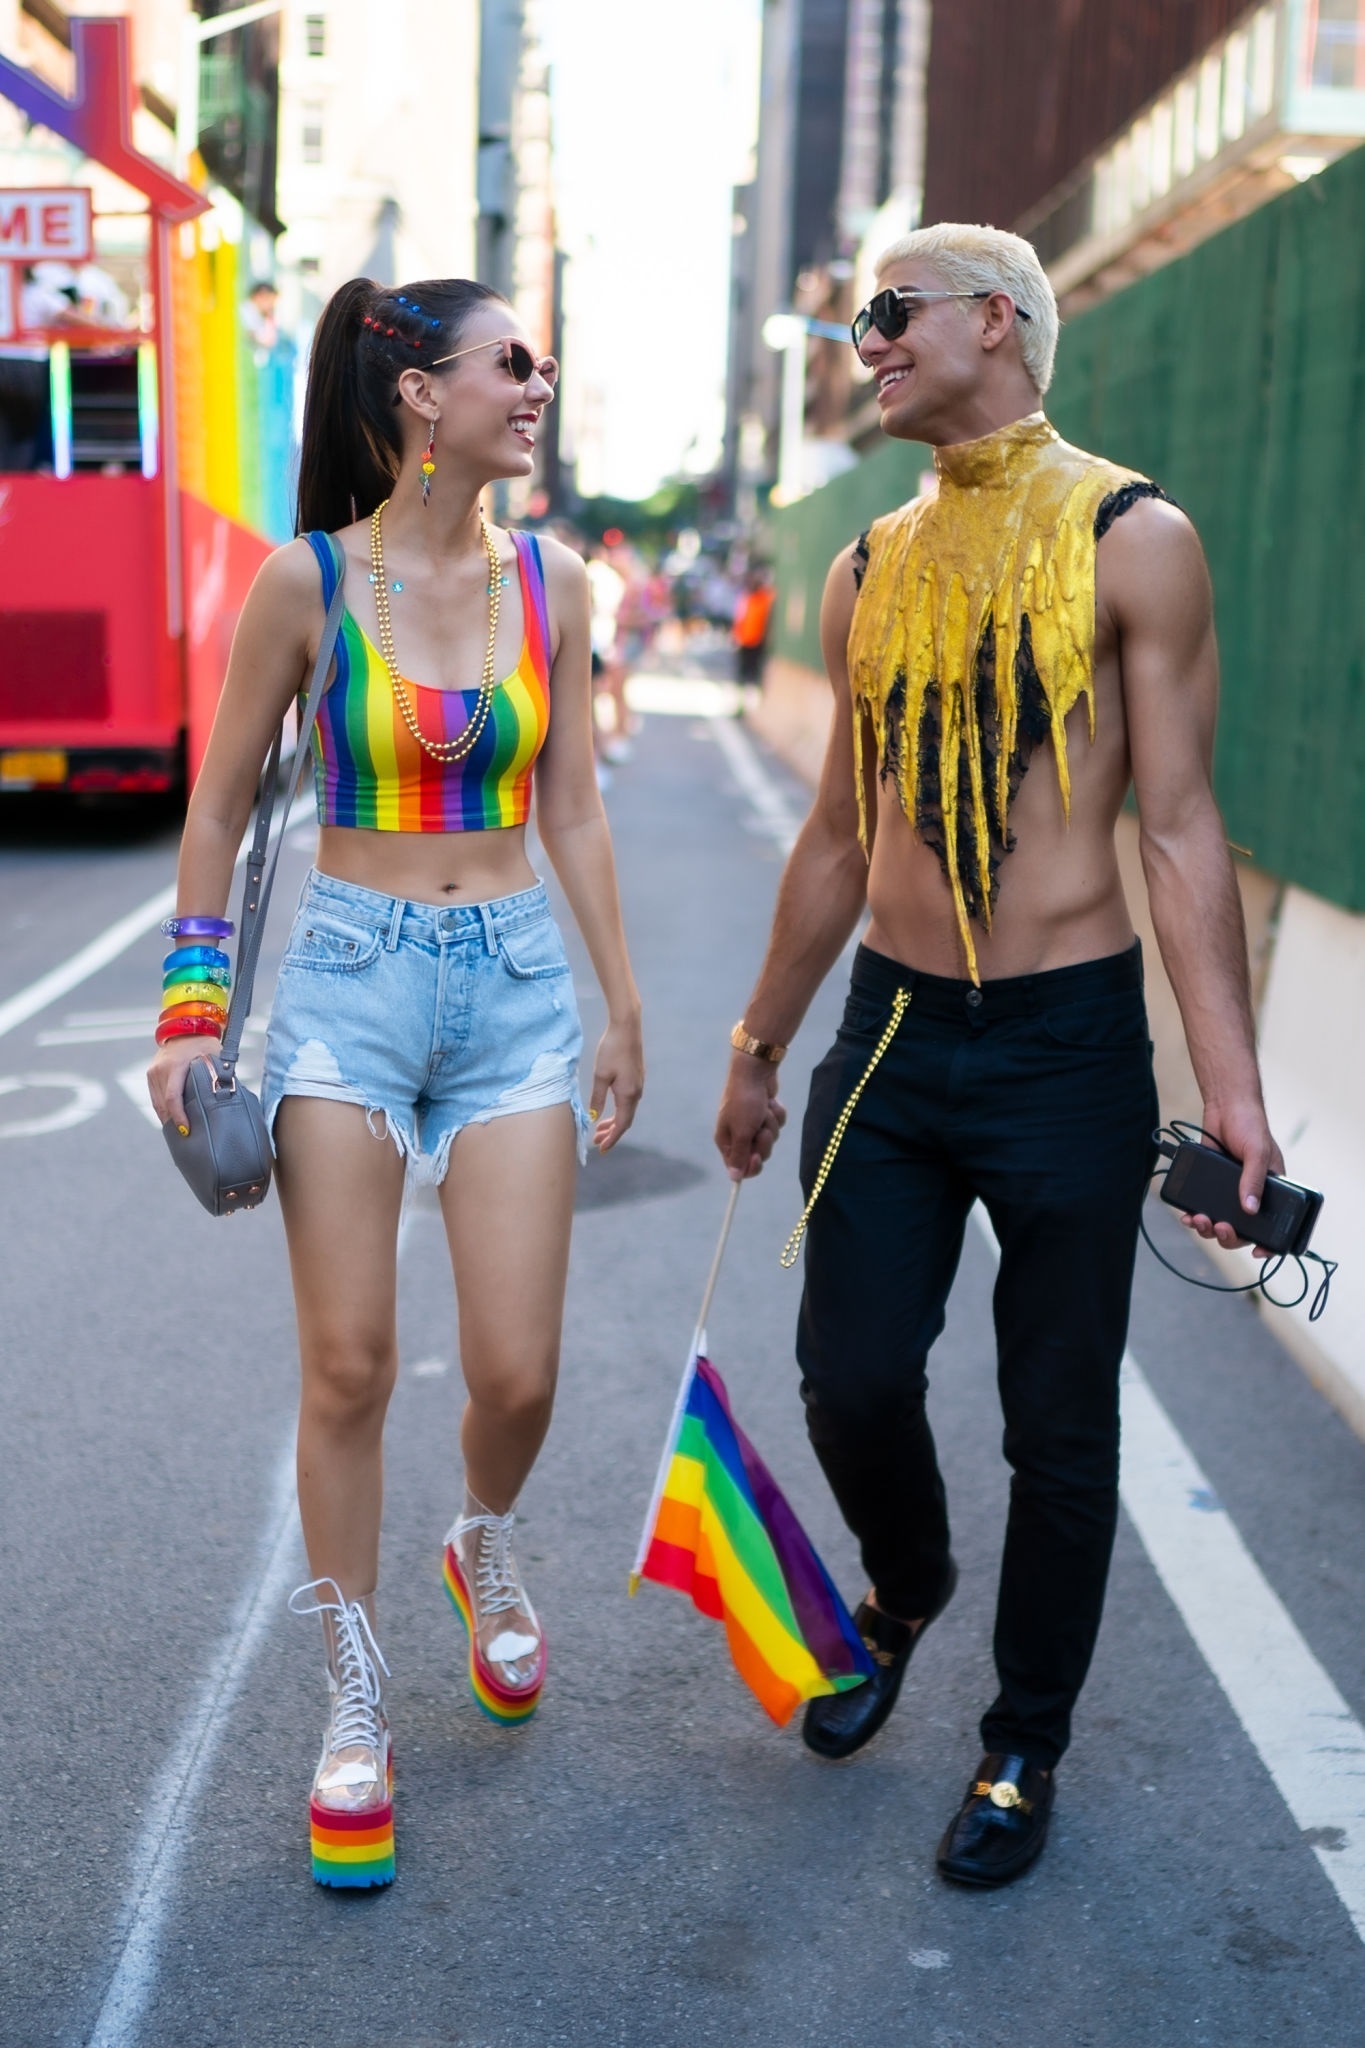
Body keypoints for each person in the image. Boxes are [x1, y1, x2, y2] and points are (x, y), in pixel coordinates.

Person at [714, 222, 1281, 1889]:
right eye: (861, 320)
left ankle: (1024, 1738)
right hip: (890, 1030)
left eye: (890, 314)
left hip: (1065, 1048)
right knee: (854, 1373)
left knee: (1061, 1421)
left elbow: (1177, 830)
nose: (868, 343)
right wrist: (758, 1042)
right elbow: (835, 834)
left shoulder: (1135, 537)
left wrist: (1232, 1092)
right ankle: (904, 1582)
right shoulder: (864, 564)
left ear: (996, 322)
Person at [147, 277, 643, 1888]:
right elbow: (218, 809)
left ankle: (480, 1541)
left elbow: (571, 804)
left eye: (541, 363)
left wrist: (618, 1001)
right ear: (421, 397)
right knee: (349, 1367)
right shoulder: (302, 586)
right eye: (515, 361)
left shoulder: (553, 581)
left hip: (510, 993)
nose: (538, 383)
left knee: (517, 1372)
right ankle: (352, 1701)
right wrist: (190, 1009)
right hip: (349, 992)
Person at [732, 564, 776, 695]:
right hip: (745, 641)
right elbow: (739, 619)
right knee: (743, 672)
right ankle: (741, 698)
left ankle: (752, 695)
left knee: (754, 671)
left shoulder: (765, 598)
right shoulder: (746, 599)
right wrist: (736, 636)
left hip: (758, 642)